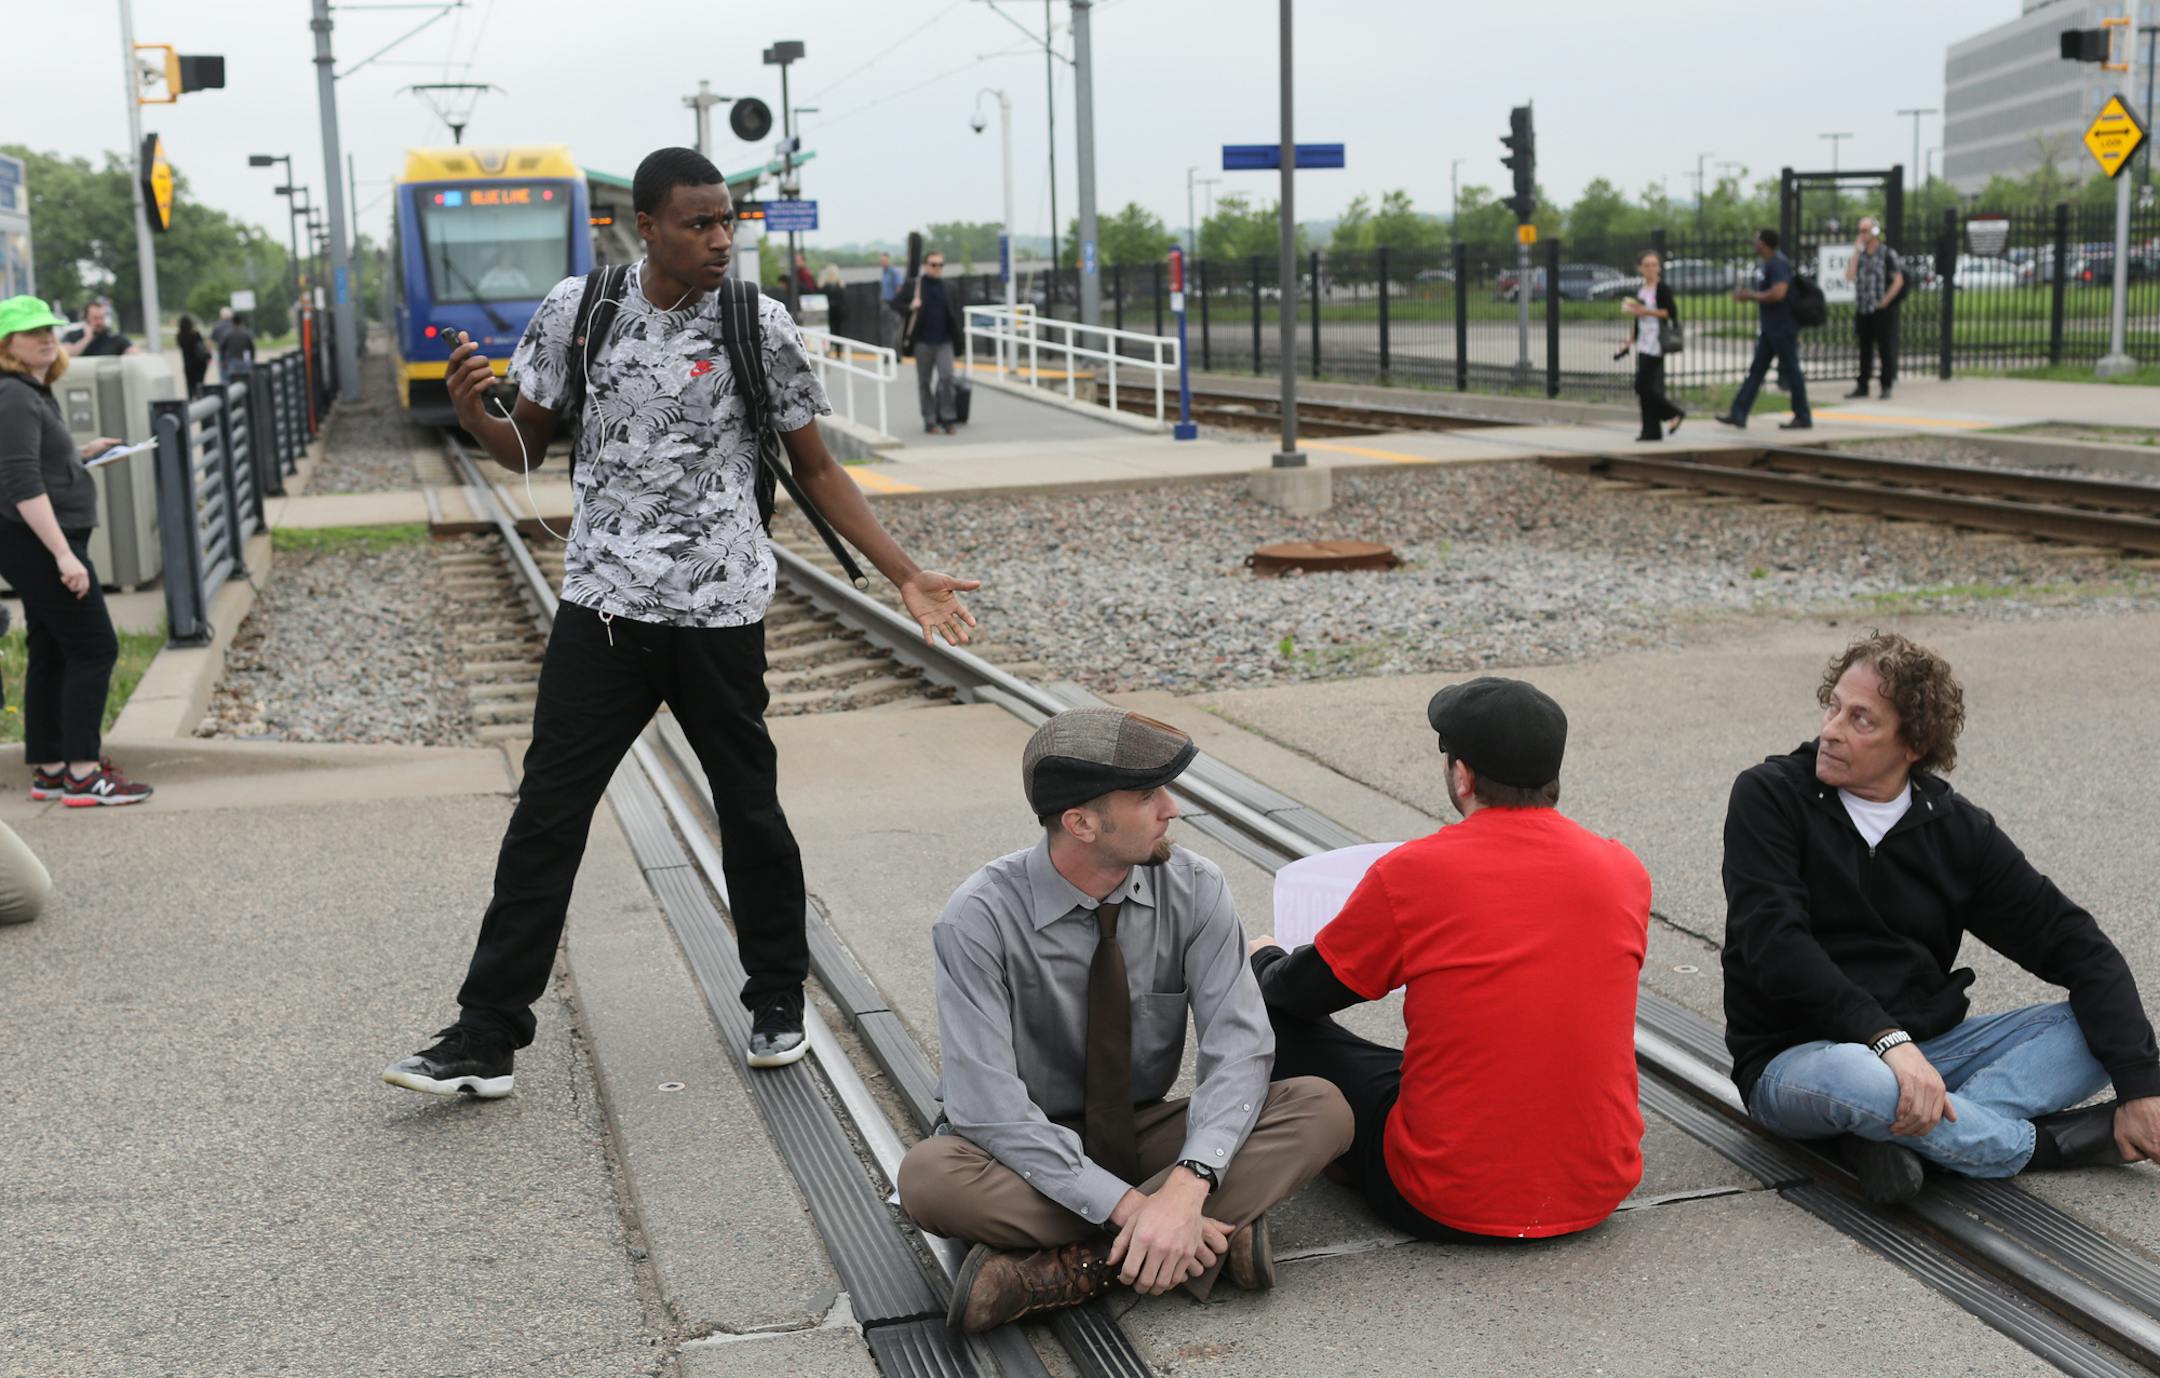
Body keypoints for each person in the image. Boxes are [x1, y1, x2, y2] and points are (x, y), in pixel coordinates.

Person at [382, 148, 981, 1098]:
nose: (719, 238)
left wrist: (901, 572)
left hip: (720, 606)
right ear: (647, 226)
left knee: (748, 807)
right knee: (548, 815)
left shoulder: (757, 321)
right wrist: (473, 417)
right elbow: (527, 445)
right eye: (698, 223)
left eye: (727, 221)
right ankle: (485, 1035)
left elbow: (816, 468)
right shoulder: (581, 310)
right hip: (604, 605)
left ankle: (777, 1000)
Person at [898, 707, 1353, 1333]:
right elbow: (989, 1108)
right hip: (1024, 1147)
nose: (1172, 809)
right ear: (1080, 822)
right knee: (930, 1180)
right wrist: (1138, 1205)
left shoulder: (1196, 887)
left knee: (1320, 1106)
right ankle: (1206, 1246)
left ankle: (1066, 1269)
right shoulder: (977, 917)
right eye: (1146, 795)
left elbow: (1240, 1048)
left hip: (1144, 1132)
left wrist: (1189, 1185)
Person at [1722, 632, 2160, 1205]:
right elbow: (1776, 945)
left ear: (1913, 744)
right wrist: (1886, 1041)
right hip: (1804, 1060)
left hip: (1931, 1052)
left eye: (1861, 720)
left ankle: (1902, 1138)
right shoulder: (1771, 796)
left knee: (2101, 1031)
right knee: (1865, 1080)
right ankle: (2048, 1145)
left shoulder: (1956, 830)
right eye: (1833, 706)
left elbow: (2076, 943)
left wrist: (2141, 1089)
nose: (1830, 730)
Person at [1251, 678, 1650, 1244]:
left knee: (1268, 1014)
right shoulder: (1622, 870)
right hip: (1597, 1188)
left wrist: (1262, 959)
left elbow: (1303, 992)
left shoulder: (1416, 872)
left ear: (1462, 776)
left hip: (1442, 1196)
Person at [0, 296, 153, 807]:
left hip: (36, 541)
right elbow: (21, 483)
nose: (45, 338)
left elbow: (36, 462)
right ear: (7, 345)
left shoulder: (30, 391)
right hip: (42, 542)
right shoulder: (15, 395)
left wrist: (79, 454)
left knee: (51, 647)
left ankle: (50, 768)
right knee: (94, 647)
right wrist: (64, 556)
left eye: (48, 329)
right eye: (30, 332)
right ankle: (85, 775)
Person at [1714, 229, 1811, 432]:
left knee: (1792, 371)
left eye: (1756, 240)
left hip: (1782, 328)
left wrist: (1750, 296)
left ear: (1764, 244)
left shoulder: (1778, 264)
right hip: (1770, 329)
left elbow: (1779, 293)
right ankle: (1738, 413)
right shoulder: (1768, 263)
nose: (1754, 243)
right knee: (1756, 371)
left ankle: (1803, 416)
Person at [1621, 249, 1684, 442]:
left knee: (1642, 386)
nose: (1651, 269)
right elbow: (1638, 320)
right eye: (1647, 265)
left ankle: (1673, 413)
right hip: (1643, 343)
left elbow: (1669, 313)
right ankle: (1650, 430)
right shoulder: (1641, 290)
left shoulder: (1661, 289)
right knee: (1647, 388)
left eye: (1654, 265)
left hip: (1656, 343)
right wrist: (1628, 342)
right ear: (1640, 268)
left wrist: (1645, 311)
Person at [1843, 216, 1906, 401]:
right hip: (1863, 307)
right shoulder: (1860, 255)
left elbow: (1898, 280)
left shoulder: (1887, 253)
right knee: (1864, 348)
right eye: (1860, 230)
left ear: (1874, 231)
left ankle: (1886, 385)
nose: (1862, 234)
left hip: (1881, 309)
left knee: (1884, 348)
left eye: (1865, 230)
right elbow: (1849, 276)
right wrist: (1856, 251)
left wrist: (1885, 301)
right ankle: (1862, 385)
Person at [906, 251, 964, 436]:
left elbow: (956, 314)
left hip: (944, 341)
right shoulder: (915, 286)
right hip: (922, 342)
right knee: (924, 382)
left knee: (947, 378)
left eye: (940, 265)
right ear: (925, 265)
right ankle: (929, 420)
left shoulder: (949, 287)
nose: (937, 268)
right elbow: (893, 305)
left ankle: (948, 418)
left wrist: (958, 340)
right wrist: (911, 306)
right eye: (933, 264)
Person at [66, 299, 134, 358]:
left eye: (102, 318)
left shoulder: (114, 338)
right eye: (95, 318)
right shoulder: (73, 336)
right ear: (87, 318)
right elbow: (65, 354)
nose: (99, 322)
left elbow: (134, 352)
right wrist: (87, 339)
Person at [175, 314, 211, 397]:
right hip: (200, 363)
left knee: (190, 385)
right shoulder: (195, 334)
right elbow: (202, 347)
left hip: (188, 364)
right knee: (200, 384)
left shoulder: (179, 336)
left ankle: (191, 401)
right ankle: (200, 399)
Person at [817, 263, 849, 352]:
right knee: (836, 331)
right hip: (835, 311)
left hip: (832, 311)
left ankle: (833, 350)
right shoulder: (837, 285)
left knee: (832, 331)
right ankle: (836, 351)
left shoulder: (834, 284)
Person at [218, 313, 257, 384]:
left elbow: (221, 348)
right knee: (246, 382)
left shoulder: (227, 334)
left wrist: (222, 360)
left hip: (232, 361)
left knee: (232, 382)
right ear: (241, 322)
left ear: (232, 322)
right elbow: (252, 348)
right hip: (245, 361)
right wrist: (252, 360)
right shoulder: (247, 333)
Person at [878, 250, 904, 352]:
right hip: (884, 303)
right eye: (881, 261)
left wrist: (896, 302)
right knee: (885, 330)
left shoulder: (893, 272)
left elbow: (899, 288)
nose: (882, 263)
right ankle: (887, 352)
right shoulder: (884, 273)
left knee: (893, 330)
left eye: (884, 261)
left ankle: (893, 353)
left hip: (892, 304)